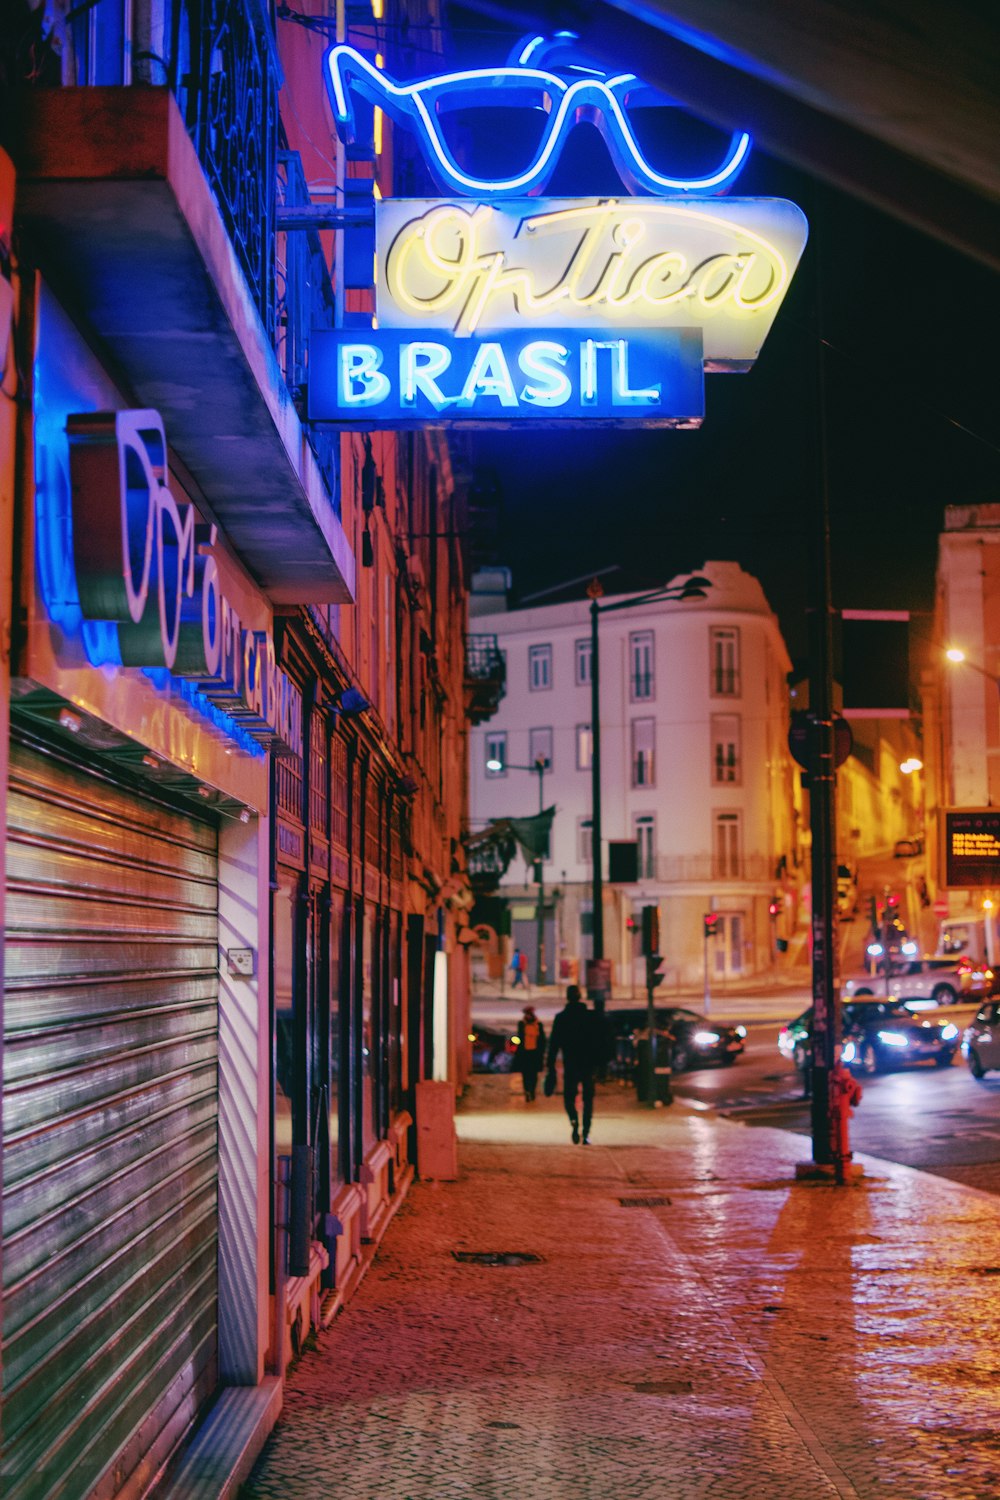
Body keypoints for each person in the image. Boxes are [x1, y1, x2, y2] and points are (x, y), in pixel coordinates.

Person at [545, 984, 599, 1144]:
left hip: (571, 1063)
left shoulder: (562, 1018)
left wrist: (550, 1065)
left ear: (567, 998)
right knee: (588, 1098)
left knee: (569, 1096)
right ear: (580, 996)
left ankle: (574, 1123)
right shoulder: (590, 1017)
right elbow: (597, 1042)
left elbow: (554, 1044)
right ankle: (586, 1131)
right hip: (588, 1063)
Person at [515, 1005, 546, 1102]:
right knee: (526, 1074)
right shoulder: (521, 1024)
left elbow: (542, 1039)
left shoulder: (538, 1025)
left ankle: (531, 1091)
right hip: (525, 1053)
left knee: (533, 1074)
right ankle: (527, 1091)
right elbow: (520, 1037)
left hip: (534, 1053)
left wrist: (542, 1051)